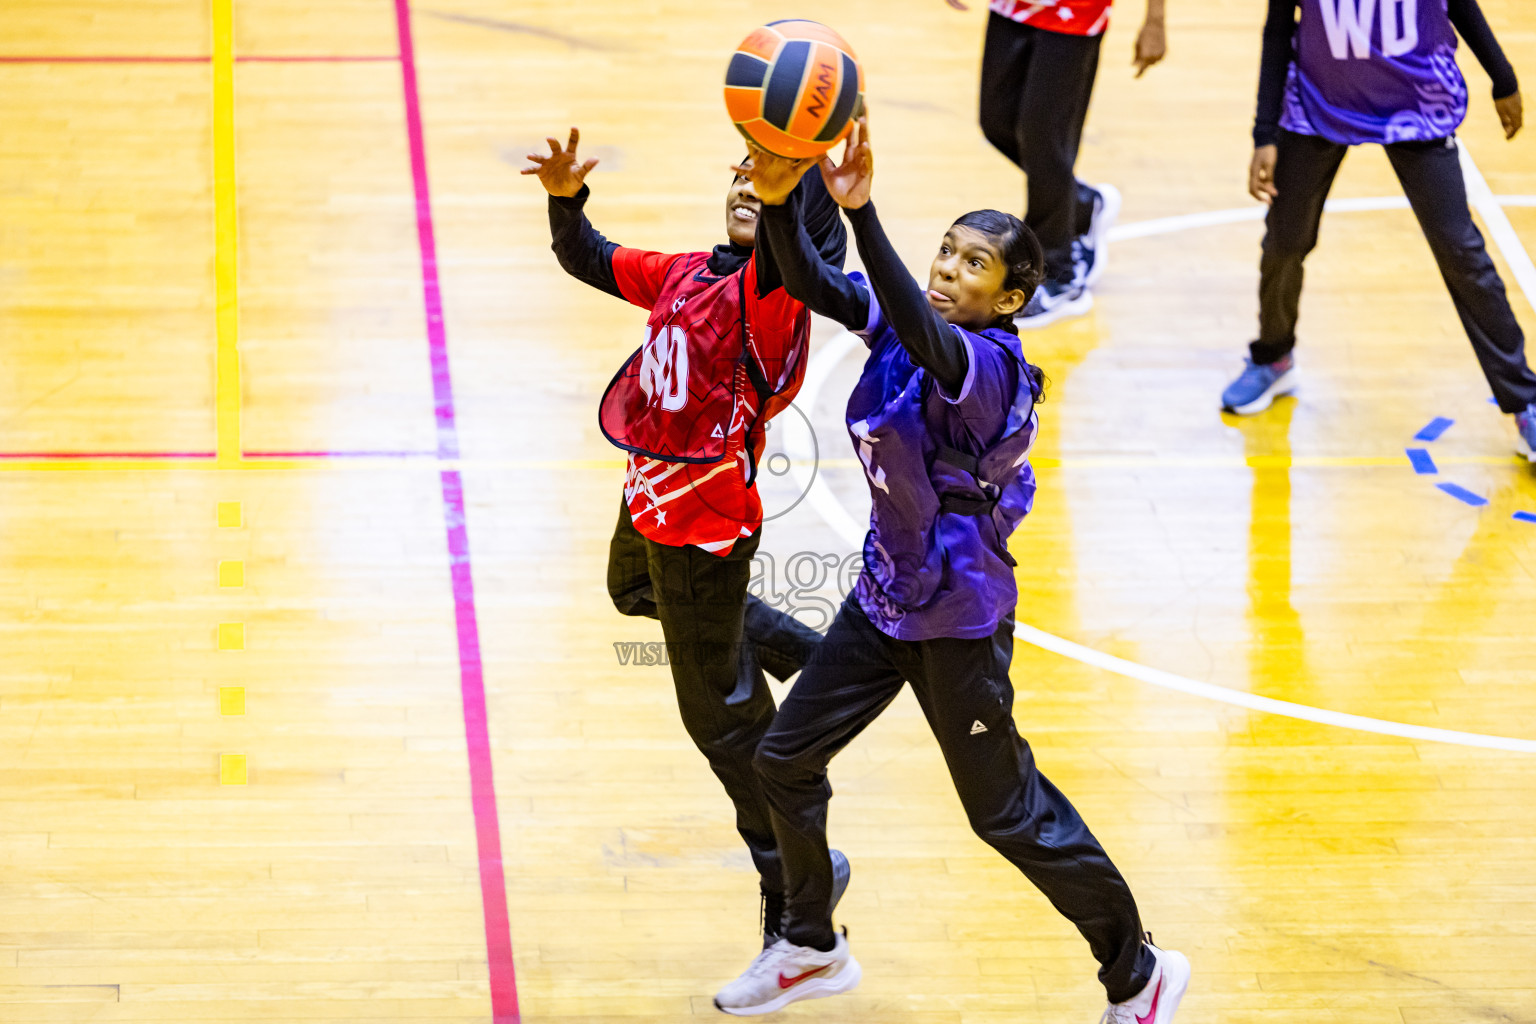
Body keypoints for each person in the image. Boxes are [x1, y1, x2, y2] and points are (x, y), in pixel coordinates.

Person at [714, 118, 1190, 1022]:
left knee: (1005, 815)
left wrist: (866, 213)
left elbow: (918, 327)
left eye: (975, 264)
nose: (947, 269)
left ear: (1011, 300)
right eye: (945, 251)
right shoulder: (915, 323)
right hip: (887, 592)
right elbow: (815, 283)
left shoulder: (986, 366)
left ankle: (1138, 971)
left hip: (958, 617)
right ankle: (811, 944)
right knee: (784, 759)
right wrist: (783, 199)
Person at [522, 128, 852, 952]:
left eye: (769, 186)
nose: (750, 186)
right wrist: (566, 197)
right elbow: (589, 257)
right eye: (740, 174)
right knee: (629, 591)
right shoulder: (681, 272)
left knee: (727, 729)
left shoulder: (774, 296)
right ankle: (823, 653)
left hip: (704, 528)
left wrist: (795, 179)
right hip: (647, 498)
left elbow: (792, 241)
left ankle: (796, 880)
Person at [1223, 0, 1536, 463]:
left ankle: (1524, 401)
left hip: (1416, 103)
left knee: (1460, 250)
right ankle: (1273, 355)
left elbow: (1460, 4)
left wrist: (1502, 74)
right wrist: (1263, 132)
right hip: (1318, 102)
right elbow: (1277, 30)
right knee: (1285, 240)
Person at [956, 0, 1168, 326]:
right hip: (1012, 6)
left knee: (1044, 137)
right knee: (996, 121)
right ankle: (1081, 204)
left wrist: (1155, 20)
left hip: (1075, 12)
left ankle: (1060, 272)